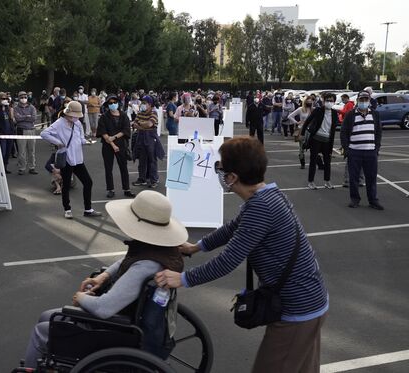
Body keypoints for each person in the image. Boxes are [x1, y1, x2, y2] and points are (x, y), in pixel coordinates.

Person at [154, 137, 328, 373]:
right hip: (308, 300)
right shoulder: (267, 195)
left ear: (232, 177)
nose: (220, 173)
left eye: (221, 168)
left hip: (297, 308)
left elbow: (228, 260)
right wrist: (197, 247)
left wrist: (183, 279)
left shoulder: (260, 207)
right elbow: (233, 227)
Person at [24, 190, 187, 368]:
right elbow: (127, 261)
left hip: (118, 328)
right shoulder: (162, 251)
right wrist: (105, 275)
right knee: (45, 316)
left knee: (42, 330)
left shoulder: (146, 266)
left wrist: (81, 298)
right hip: (130, 318)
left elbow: (103, 308)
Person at [41, 101, 101, 219]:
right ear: (68, 113)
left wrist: (86, 142)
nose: (77, 117)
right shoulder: (59, 123)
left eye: (78, 115)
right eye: (75, 115)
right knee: (66, 184)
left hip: (78, 158)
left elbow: (80, 139)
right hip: (67, 158)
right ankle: (67, 209)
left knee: (88, 182)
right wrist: (58, 143)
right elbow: (44, 133)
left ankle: (88, 209)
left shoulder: (77, 123)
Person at [340, 91, 383, 210]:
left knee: (371, 177)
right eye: (361, 100)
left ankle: (373, 200)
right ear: (357, 100)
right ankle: (355, 199)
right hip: (354, 152)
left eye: (366, 100)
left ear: (369, 101)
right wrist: (347, 149)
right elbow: (343, 132)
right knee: (353, 178)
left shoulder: (375, 114)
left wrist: (376, 148)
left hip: (370, 152)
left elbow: (379, 132)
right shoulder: (350, 115)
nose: (363, 102)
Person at [96, 95, 135, 199]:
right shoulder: (104, 117)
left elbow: (126, 130)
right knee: (108, 168)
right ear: (107, 105)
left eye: (114, 102)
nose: (113, 104)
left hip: (121, 144)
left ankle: (127, 189)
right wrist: (112, 143)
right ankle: (110, 189)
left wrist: (114, 137)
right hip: (107, 145)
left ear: (118, 103)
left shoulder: (124, 116)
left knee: (124, 167)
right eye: (110, 103)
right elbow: (103, 132)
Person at [301, 92, 338, 190]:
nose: (329, 102)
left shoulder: (334, 113)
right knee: (313, 161)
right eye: (327, 100)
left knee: (327, 161)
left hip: (327, 140)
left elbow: (333, 129)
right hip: (316, 139)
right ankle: (311, 181)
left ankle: (327, 181)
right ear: (323, 101)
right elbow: (307, 121)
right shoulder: (318, 110)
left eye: (331, 100)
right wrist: (302, 134)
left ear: (334, 102)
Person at [132, 96, 165, 189]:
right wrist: (144, 125)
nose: (142, 104)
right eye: (142, 102)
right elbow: (135, 124)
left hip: (151, 138)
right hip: (141, 137)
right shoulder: (140, 113)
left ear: (150, 104)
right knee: (142, 159)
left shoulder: (154, 113)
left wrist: (141, 124)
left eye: (144, 103)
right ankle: (142, 178)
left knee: (152, 160)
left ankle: (154, 180)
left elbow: (150, 124)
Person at [14, 91, 38, 175]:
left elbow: (34, 118)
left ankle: (32, 167)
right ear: (19, 98)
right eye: (21, 97)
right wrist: (27, 116)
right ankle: (22, 168)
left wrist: (23, 117)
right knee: (21, 151)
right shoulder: (16, 108)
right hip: (21, 130)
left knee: (31, 150)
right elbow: (17, 118)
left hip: (31, 130)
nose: (23, 99)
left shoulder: (32, 107)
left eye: (25, 97)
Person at [0, 92, 15, 174]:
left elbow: (11, 120)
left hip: (10, 133)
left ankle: (5, 167)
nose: (5, 100)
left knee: (8, 152)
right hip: (1, 134)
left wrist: (12, 130)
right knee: (2, 152)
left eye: (6, 99)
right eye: (3, 99)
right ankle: (0, 169)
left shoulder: (9, 109)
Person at [289, 97, 314, 169]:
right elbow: (290, 116)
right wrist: (296, 122)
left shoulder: (313, 110)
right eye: (308, 101)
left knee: (313, 147)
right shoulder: (300, 109)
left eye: (310, 101)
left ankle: (318, 163)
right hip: (302, 129)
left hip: (311, 130)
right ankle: (302, 163)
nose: (309, 103)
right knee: (301, 147)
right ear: (304, 102)